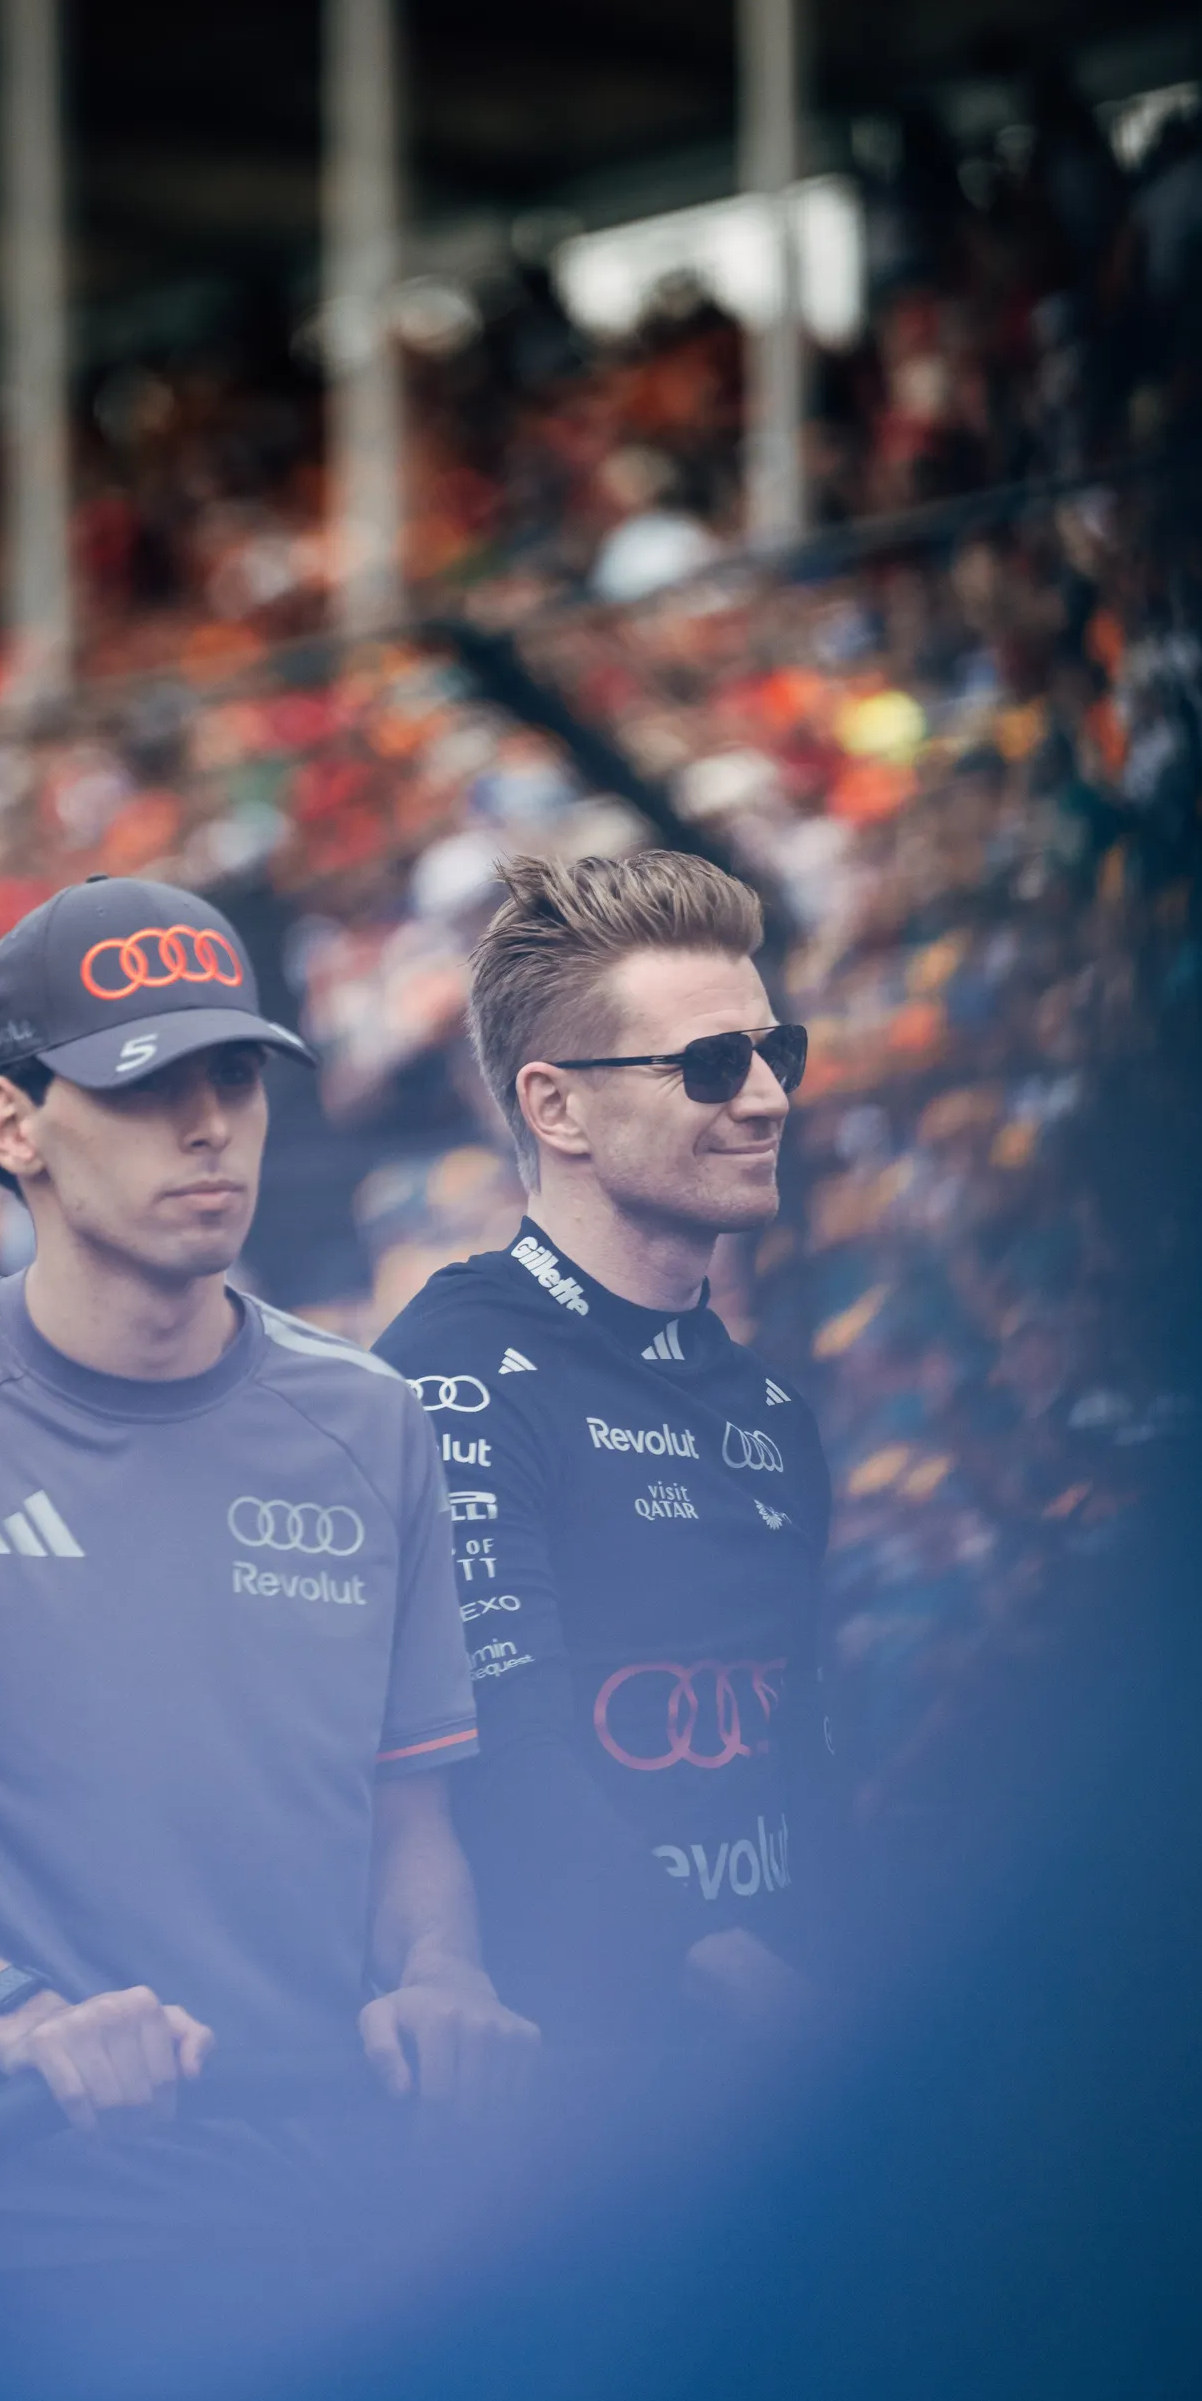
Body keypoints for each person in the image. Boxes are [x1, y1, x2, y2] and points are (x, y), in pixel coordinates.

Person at [0, 874, 536, 2353]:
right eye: (145, 1085)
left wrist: (445, 1977)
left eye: (235, 1079)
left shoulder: (372, 1419)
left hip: (315, 2247)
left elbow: (410, 1826)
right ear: (13, 1126)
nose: (208, 1126)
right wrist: (19, 2018)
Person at [375, 851, 836, 2041]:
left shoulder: (771, 1412)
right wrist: (720, 1970)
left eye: (775, 1053)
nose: (766, 1100)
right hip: (586, 2091)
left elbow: (811, 1769)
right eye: (710, 1064)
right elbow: (504, 1761)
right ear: (556, 1107)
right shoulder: (455, 1375)